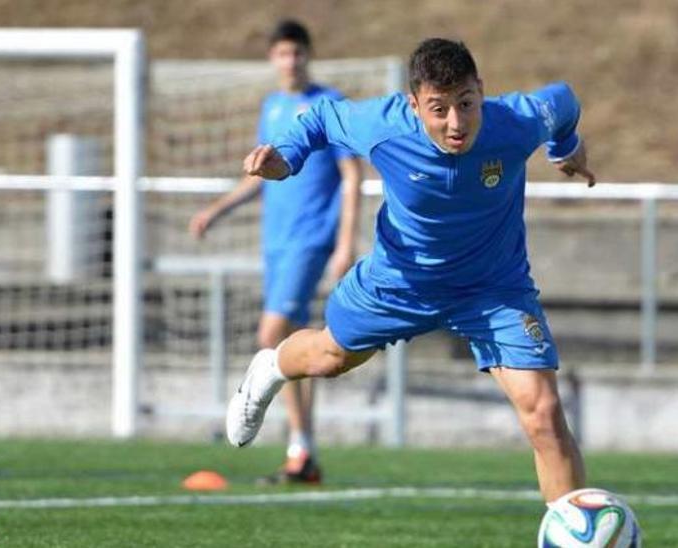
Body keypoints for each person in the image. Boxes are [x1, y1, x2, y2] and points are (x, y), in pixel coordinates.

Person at [226, 37, 599, 504]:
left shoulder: (518, 121)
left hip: (492, 288)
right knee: (330, 358)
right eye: (439, 109)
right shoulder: (384, 125)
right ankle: (269, 369)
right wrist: (288, 155)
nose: (456, 123)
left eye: (466, 104)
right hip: (399, 282)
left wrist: (566, 147)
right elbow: (321, 119)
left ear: (481, 90)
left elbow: (563, 101)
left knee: (544, 414)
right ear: (413, 105)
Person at [190, 20, 362, 485]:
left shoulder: (328, 106)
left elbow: (351, 174)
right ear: (273, 59)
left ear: (309, 56)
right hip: (276, 242)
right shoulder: (271, 106)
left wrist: (346, 241)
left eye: (298, 53)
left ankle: (300, 445)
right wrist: (217, 209)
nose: (291, 61)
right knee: (291, 342)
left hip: (311, 240)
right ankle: (302, 451)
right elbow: (259, 176)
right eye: (283, 54)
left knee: (272, 334)